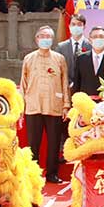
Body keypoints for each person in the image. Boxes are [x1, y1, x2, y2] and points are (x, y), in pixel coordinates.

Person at [20, 26, 70, 185]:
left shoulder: (59, 59)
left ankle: (52, 174)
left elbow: (65, 82)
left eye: (48, 36)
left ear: (52, 40)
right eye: (42, 36)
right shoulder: (28, 58)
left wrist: (66, 105)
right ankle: (33, 175)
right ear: (36, 39)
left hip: (54, 105)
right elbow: (23, 83)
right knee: (33, 144)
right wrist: (21, 105)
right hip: (33, 105)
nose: (45, 39)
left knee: (54, 143)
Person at [72, 26, 104, 97]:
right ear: (90, 40)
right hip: (85, 100)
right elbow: (77, 83)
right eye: (95, 37)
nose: (98, 39)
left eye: (101, 37)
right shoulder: (81, 59)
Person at [56, 14, 91, 92]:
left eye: (79, 25)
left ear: (84, 27)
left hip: (86, 88)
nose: (76, 27)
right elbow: (58, 68)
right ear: (69, 26)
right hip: (66, 88)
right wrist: (68, 83)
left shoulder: (91, 46)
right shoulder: (61, 47)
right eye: (73, 24)